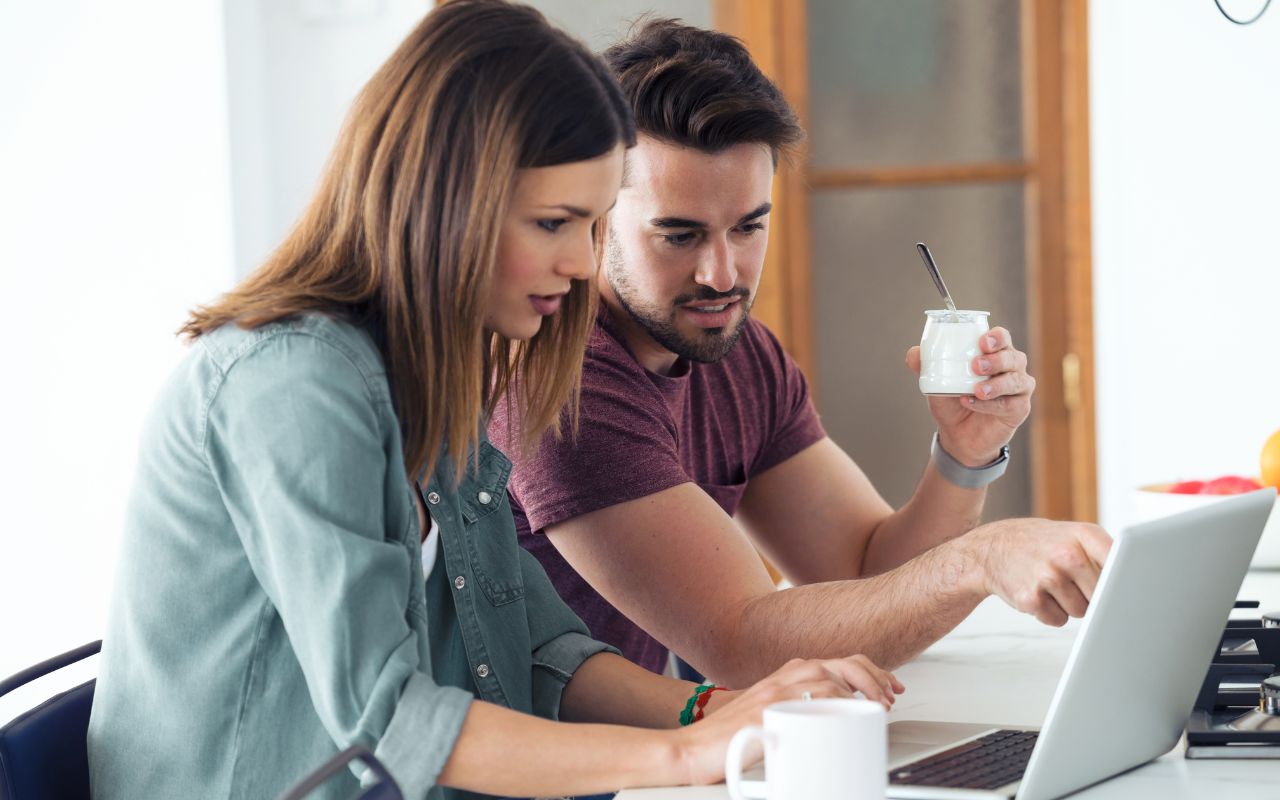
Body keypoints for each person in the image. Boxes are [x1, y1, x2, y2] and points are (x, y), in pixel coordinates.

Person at [85, 3, 902, 799]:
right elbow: (392, 718)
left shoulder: (433, 373)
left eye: (591, 226)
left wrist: (721, 711)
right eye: (553, 223)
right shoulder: (293, 385)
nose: (584, 266)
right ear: (448, 205)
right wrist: (686, 753)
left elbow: (543, 645)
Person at [488, 19, 1113, 688]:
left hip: (648, 755)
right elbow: (740, 643)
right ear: (597, 218)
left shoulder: (737, 353)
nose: (723, 275)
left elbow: (868, 576)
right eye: (679, 236)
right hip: (544, 779)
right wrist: (979, 559)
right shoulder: (559, 383)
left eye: (749, 226)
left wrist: (966, 456)